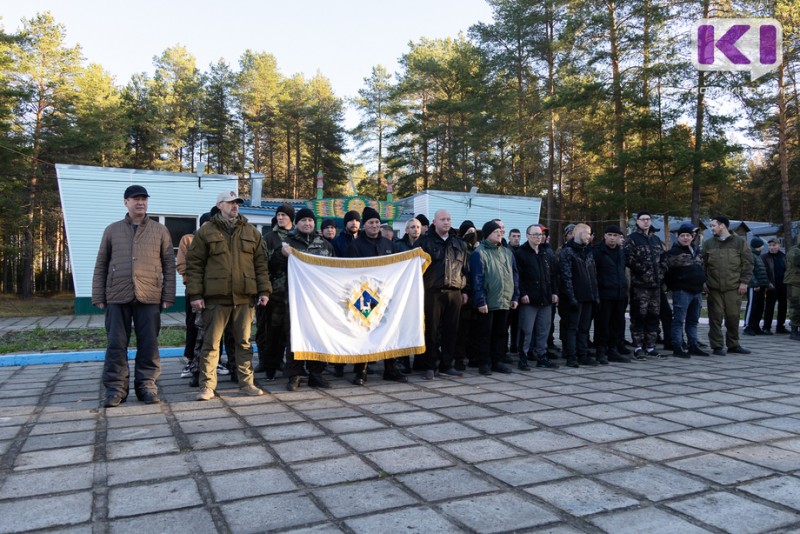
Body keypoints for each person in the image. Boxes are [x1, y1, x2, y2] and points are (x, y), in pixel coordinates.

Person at [92, 185, 176, 407]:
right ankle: (115, 389)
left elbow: (169, 263)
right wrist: (98, 295)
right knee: (116, 344)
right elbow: (101, 263)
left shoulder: (160, 231)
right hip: (117, 295)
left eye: (144, 199)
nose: (141, 203)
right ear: (125, 202)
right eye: (135, 199)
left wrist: (168, 295)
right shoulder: (112, 230)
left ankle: (147, 385)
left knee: (149, 343)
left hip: (149, 294)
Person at [186, 191, 272, 401]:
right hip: (216, 298)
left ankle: (246, 383)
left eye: (237, 203)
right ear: (219, 205)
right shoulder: (206, 232)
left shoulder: (251, 232)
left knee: (243, 343)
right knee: (211, 343)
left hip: (244, 298)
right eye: (230, 203)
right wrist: (195, 294)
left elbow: (261, 264)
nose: (235, 206)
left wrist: (264, 290)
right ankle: (207, 386)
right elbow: (194, 265)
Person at [272, 208, 336, 391]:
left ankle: (316, 373)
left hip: (319, 301)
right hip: (294, 298)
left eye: (310, 220)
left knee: (319, 334)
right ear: (297, 223)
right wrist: (281, 255)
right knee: (294, 335)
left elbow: (334, 271)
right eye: (303, 220)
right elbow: (273, 267)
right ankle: (295, 375)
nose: (307, 223)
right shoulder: (287, 243)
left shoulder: (325, 245)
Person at [347, 206, 408, 385]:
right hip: (364, 296)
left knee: (389, 330)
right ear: (364, 225)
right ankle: (361, 370)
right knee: (364, 332)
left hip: (386, 296)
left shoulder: (390, 245)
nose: (374, 226)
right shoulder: (355, 246)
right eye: (370, 223)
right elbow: (350, 272)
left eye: (376, 223)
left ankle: (390, 368)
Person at [414, 209, 469, 379]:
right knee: (430, 331)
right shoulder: (423, 243)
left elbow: (465, 270)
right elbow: (415, 270)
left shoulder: (460, 244)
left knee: (451, 331)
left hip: (454, 293)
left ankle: (447, 365)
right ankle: (429, 366)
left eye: (449, 219)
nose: (446, 222)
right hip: (432, 293)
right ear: (434, 222)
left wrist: (465, 291)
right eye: (443, 219)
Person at [470, 220, 519, 375]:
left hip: (504, 300)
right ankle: (484, 363)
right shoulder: (480, 252)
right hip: (488, 301)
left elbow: (514, 276)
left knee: (501, 333)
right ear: (487, 234)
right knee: (485, 334)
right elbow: (477, 279)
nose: (499, 234)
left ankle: (498, 361)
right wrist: (480, 300)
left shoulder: (507, 252)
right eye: (495, 232)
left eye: (501, 232)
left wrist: (515, 296)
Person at [702, 215, 754, 356]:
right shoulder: (708, 244)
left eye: (713, 225)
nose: (712, 228)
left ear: (723, 225)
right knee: (715, 317)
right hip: (714, 288)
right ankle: (717, 346)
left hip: (733, 286)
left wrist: (744, 282)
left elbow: (748, 263)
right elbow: (702, 265)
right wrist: (703, 282)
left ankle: (733, 344)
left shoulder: (739, 242)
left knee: (733, 317)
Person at [255, 203, 294, 379]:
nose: (280, 218)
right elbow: (262, 263)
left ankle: (284, 362)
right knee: (270, 330)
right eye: (278, 215)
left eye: (284, 215)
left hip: (294, 292)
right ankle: (268, 363)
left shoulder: (296, 237)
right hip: (274, 292)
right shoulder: (269, 238)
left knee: (289, 332)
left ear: (291, 218)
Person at [515, 224, 559, 370]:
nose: (538, 237)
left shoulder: (546, 253)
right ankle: (523, 357)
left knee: (543, 330)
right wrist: (522, 293)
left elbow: (553, 275)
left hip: (545, 298)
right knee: (526, 330)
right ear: (527, 236)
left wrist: (554, 292)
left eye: (540, 235)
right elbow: (518, 276)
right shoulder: (521, 253)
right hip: (529, 299)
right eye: (534, 235)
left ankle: (542, 356)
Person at [624, 210, 666, 360]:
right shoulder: (632, 239)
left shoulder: (656, 240)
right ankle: (638, 346)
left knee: (653, 316)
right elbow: (628, 259)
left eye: (648, 219)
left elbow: (663, 259)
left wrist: (661, 274)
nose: (646, 222)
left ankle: (651, 346)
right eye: (643, 219)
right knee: (638, 316)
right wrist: (643, 271)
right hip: (640, 286)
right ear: (638, 221)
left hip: (655, 286)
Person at [664, 223, 708, 357]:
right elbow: (666, 273)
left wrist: (703, 282)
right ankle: (677, 347)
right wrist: (675, 286)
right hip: (682, 291)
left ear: (692, 237)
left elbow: (701, 268)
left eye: (688, 235)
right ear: (678, 237)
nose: (685, 238)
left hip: (697, 291)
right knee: (678, 320)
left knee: (693, 320)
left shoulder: (696, 251)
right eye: (682, 235)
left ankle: (693, 345)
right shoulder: (672, 253)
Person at [559, 223, 599, 367]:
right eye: (587, 233)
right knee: (572, 328)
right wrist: (571, 297)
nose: (589, 236)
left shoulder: (588, 251)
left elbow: (593, 274)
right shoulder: (567, 251)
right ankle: (571, 356)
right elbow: (566, 276)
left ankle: (583, 354)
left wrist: (595, 294)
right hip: (575, 297)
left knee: (584, 328)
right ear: (579, 233)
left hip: (588, 296)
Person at [593, 225, 631, 363]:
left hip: (620, 294)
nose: (612, 238)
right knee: (602, 324)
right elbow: (593, 273)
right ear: (605, 236)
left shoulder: (621, 252)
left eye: (616, 235)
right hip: (604, 294)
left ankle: (613, 350)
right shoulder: (597, 251)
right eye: (610, 235)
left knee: (617, 323)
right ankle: (600, 351)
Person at [743, 238, 771, 336]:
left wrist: (767, 283)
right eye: (762, 245)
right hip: (754, 286)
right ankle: (747, 327)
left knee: (759, 307)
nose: (763, 247)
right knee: (752, 306)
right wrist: (755, 284)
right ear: (758, 246)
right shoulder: (750, 255)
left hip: (761, 286)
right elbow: (749, 271)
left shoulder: (757, 256)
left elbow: (761, 272)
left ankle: (756, 326)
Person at [762, 238, 788, 334]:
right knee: (770, 306)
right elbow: (763, 272)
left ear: (779, 246)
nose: (771, 247)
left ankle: (780, 326)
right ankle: (766, 327)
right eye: (770, 245)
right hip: (771, 284)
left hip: (783, 283)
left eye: (774, 245)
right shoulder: (764, 257)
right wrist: (767, 282)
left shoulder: (783, 256)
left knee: (783, 306)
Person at [784, 233, 800, 340]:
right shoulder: (794, 251)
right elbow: (797, 262)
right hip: (794, 283)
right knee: (795, 306)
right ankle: (794, 331)